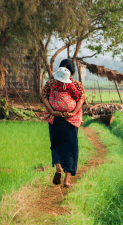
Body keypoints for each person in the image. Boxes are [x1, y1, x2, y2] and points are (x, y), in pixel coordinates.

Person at [40, 59, 85, 187]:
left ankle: (58, 168)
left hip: (55, 119)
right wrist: (74, 112)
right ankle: (66, 181)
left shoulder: (51, 84)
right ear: (72, 71)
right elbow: (81, 99)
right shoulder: (77, 85)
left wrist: (52, 111)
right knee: (70, 148)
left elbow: (43, 97)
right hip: (70, 120)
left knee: (55, 145)